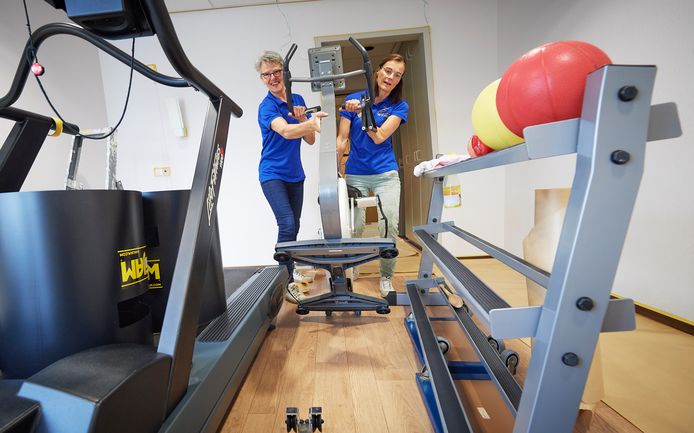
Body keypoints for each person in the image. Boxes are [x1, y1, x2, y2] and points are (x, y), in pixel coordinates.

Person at [256, 51, 328, 303]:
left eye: (276, 72)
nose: (272, 78)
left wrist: (303, 119)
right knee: (286, 224)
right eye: (266, 74)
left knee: (294, 225)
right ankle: (285, 282)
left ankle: (288, 270)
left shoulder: (297, 99)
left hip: (295, 175)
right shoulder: (266, 107)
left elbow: (309, 140)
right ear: (262, 79)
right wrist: (310, 123)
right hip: (272, 174)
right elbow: (286, 132)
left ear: (285, 74)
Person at [337, 53, 408, 298]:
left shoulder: (399, 106)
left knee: (388, 225)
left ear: (399, 80)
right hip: (355, 173)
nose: (391, 77)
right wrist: (336, 171)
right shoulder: (352, 100)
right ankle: (354, 266)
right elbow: (342, 139)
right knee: (354, 226)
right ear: (377, 71)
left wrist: (361, 113)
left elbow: (379, 136)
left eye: (397, 75)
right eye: (388, 71)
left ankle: (386, 276)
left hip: (385, 173)